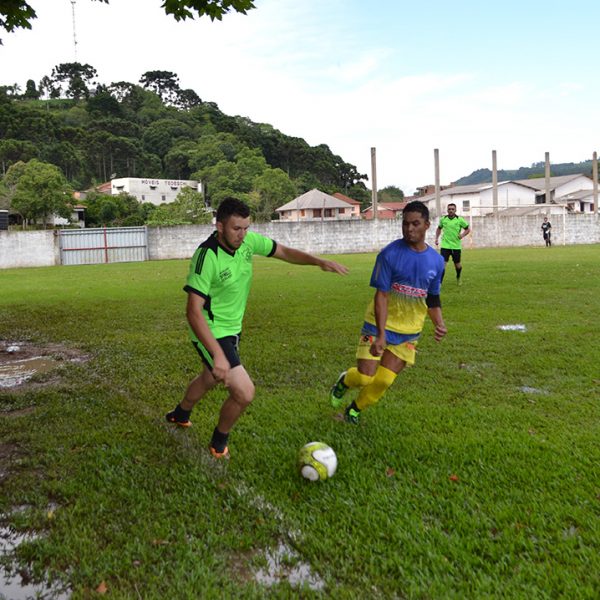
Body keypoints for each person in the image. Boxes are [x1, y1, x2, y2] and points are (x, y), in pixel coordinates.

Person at [166, 197, 348, 458]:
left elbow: (283, 252)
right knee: (244, 392)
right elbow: (193, 312)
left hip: (232, 329)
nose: (242, 235)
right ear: (219, 226)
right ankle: (219, 443)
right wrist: (217, 352)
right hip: (211, 331)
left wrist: (317, 261)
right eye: (235, 228)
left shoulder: (248, 242)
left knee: (209, 378)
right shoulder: (206, 257)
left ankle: (180, 414)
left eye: (246, 228)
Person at [329, 200, 447, 424]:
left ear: (427, 225)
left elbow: (432, 297)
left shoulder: (437, 262)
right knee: (365, 377)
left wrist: (439, 323)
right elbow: (381, 295)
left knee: (384, 381)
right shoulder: (389, 254)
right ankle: (345, 381)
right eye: (405, 224)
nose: (409, 229)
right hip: (378, 325)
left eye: (415, 224)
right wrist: (381, 334)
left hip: (409, 331)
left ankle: (354, 410)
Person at [434, 203, 471, 284]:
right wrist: (436, 238)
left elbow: (468, 229)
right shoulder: (443, 219)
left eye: (452, 209)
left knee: (457, 265)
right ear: (447, 210)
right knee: (442, 265)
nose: (450, 210)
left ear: (455, 210)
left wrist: (462, 235)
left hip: (456, 246)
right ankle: (439, 283)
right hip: (445, 245)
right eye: (449, 209)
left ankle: (458, 276)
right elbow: (439, 229)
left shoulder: (459, 220)